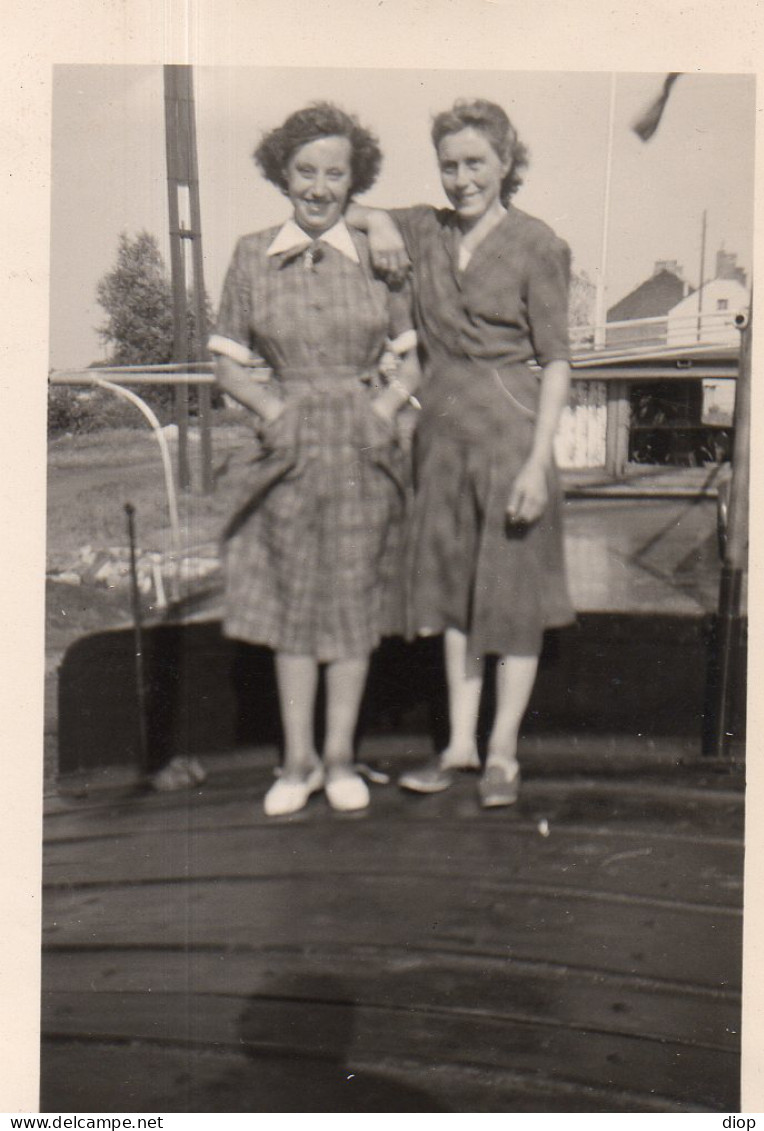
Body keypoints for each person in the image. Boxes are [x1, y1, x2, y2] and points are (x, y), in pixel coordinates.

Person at [347, 98, 575, 807]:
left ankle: (502, 750)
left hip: (511, 437)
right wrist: (381, 220)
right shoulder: (424, 227)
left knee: (511, 594)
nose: (462, 177)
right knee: (452, 595)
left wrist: (539, 462)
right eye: (449, 164)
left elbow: (559, 362)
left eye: (476, 162)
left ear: (507, 162)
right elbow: (341, 204)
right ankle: (459, 745)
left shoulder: (539, 244)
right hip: (440, 438)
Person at [209, 103, 419, 817]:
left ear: (354, 179)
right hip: (288, 447)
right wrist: (276, 415)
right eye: (307, 171)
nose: (320, 187)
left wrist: (379, 414)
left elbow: (411, 364)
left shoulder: (382, 259)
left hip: (363, 448)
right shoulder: (249, 254)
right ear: (282, 173)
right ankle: (296, 762)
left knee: (356, 603)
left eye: (336, 173)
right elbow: (230, 367)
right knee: (296, 604)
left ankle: (338, 758)